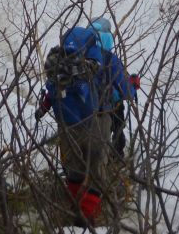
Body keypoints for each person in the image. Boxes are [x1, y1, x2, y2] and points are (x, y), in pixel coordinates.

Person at [36, 26, 131, 226]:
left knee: (74, 168)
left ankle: (73, 211)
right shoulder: (107, 58)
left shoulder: (63, 59)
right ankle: (86, 219)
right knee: (96, 168)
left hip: (68, 121)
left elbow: (50, 89)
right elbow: (125, 90)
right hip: (98, 119)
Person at [90, 18, 138, 157]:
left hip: (85, 108)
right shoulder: (110, 59)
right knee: (117, 129)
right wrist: (134, 85)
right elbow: (126, 92)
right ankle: (116, 158)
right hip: (108, 107)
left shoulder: (80, 56)